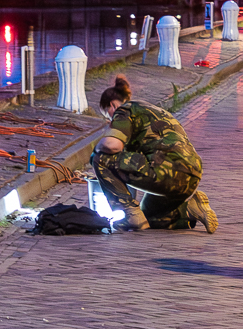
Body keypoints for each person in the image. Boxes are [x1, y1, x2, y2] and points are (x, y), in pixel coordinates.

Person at [93, 76, 219, 233]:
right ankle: (190, 209)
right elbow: (134, 163)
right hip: (191, 176)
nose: (110, 120)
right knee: (149, 218)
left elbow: (112, 145)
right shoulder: (153, 110)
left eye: (107, 115)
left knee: (100, 157)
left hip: (166, 172)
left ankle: (130, 215)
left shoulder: (124, 110)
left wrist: (97, 147)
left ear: (111, 105)